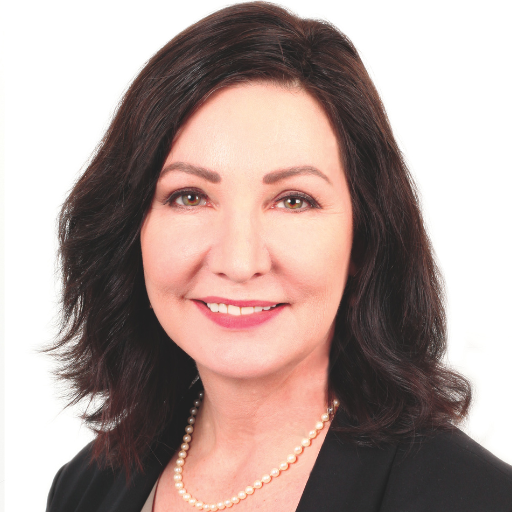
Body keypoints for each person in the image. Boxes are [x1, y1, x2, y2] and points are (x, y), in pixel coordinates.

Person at [45, 2, 512, 511]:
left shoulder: (477, 498)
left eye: (293, 201)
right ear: (129, 228)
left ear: (364, 238)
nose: (239, 260)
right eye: (190, 196)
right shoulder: (85, 488)